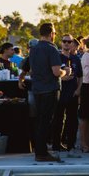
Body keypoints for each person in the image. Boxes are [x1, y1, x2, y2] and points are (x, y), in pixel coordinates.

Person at [27, 23, 65, 162]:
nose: (55, 35)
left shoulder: (34, 49)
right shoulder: (51, 49)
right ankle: (42, 152)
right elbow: (56, 71)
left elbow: (31, 70)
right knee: (46, 121)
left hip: (37, 89)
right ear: (50, 34)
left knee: (39, 120)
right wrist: (65, 72)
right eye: (54, 33)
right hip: (50, 88)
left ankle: (39, 149)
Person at [52, 33, 83, 151]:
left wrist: (79, 89)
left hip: (73, 93)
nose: (66, 43)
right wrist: (62, 77)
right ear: (61, 42)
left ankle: (71, 144)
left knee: (72, 120)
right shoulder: (57, 58)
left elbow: (80, 77)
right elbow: (54, 74)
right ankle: (56, 144)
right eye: (64, 41)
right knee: (58, 119)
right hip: (60, 93)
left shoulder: (76, 59)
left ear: (72, 44)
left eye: (69, 42)